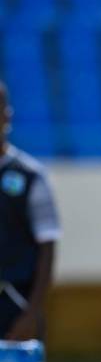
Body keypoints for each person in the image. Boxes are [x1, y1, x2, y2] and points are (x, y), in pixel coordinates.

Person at [0, 81, 61, 341]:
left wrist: (31, 313)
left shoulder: (29, 175)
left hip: (16, 302)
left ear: (6, 116)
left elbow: (47, 247)